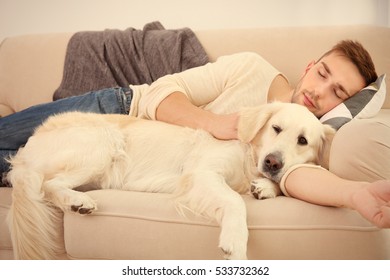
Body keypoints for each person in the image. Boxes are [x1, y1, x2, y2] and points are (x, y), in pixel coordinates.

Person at [1, 40, 389, 228]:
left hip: (130, 153)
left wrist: (353, 193)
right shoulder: (252, 68)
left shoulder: (298, 144)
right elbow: (159, 93)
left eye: (338, 93)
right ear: (309, 66)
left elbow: (297, 175)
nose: (319, 92)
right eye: (322, 74)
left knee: (19, 167)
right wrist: (213, 123)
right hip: (123, 108)